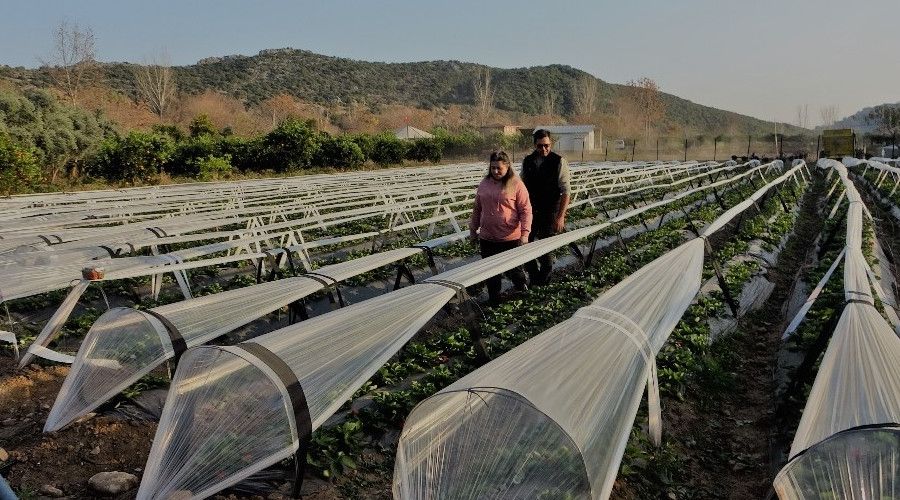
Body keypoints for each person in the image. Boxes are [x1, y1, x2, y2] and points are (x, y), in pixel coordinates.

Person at [469, 150, 532, 305]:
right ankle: (494, 300)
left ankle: (521, 292)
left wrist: (525, 234)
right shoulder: (484, 184)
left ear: (507, 167)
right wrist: (473, 230)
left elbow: (526, 210)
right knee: (490, 273)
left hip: (510, 238)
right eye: (492, 168)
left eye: (499, 168)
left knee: (515, 270)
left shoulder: (516, 184)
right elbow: (477, 208)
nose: (495, 171)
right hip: (487, 238)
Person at [520, 129, 571, 285]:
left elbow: (566, 191)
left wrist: (560, 216)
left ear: (551, 144)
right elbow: (521, 187)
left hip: (550, 212)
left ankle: (543, 281)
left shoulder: (559, 161)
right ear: (535, 145)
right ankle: (535, 277)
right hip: (530, 211)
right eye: (540, 146)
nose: (544, 149)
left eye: (547, 145)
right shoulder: (527, 161)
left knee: (546, 248)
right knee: (525, 245)